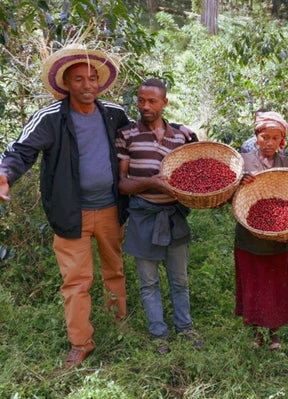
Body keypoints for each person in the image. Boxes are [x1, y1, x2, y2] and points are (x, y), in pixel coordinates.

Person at [0, 45, 132, 366]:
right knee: (76, 280)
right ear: (67, 84)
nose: (87, 85)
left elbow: (139, 140)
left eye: (92, 79)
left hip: (111, 209)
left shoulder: (113, 113)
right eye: (79, 80)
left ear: (100, 82)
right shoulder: (51, 118)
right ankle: (80, 342)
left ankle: (119, 323)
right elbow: (21, 150)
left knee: (114, 270)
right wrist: (4, 174)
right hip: (71, 213)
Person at [116, 78, 202, 354]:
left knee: (179, 279)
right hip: (143, 215)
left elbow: (193, 175)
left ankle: (185, 328)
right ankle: (158, 335)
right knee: (149, 281)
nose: (145, 106)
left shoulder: (181, 136)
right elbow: (122, 183)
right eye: (141, 100)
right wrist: (152, 183)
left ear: (164, 103)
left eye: (152, 101)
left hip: (173, 215)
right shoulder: (126, 134)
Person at [234, 111, 288, 350]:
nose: (269, 142)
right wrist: (239, 181)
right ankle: (256, 332)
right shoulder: (243, 162)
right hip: (248, 234)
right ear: (256, 136)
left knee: (275, 285)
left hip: (279, 237)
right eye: (264, 137)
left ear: (282, 139)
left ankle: (274, 333)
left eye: (275, 138)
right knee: (253, 284)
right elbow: (229, 195)